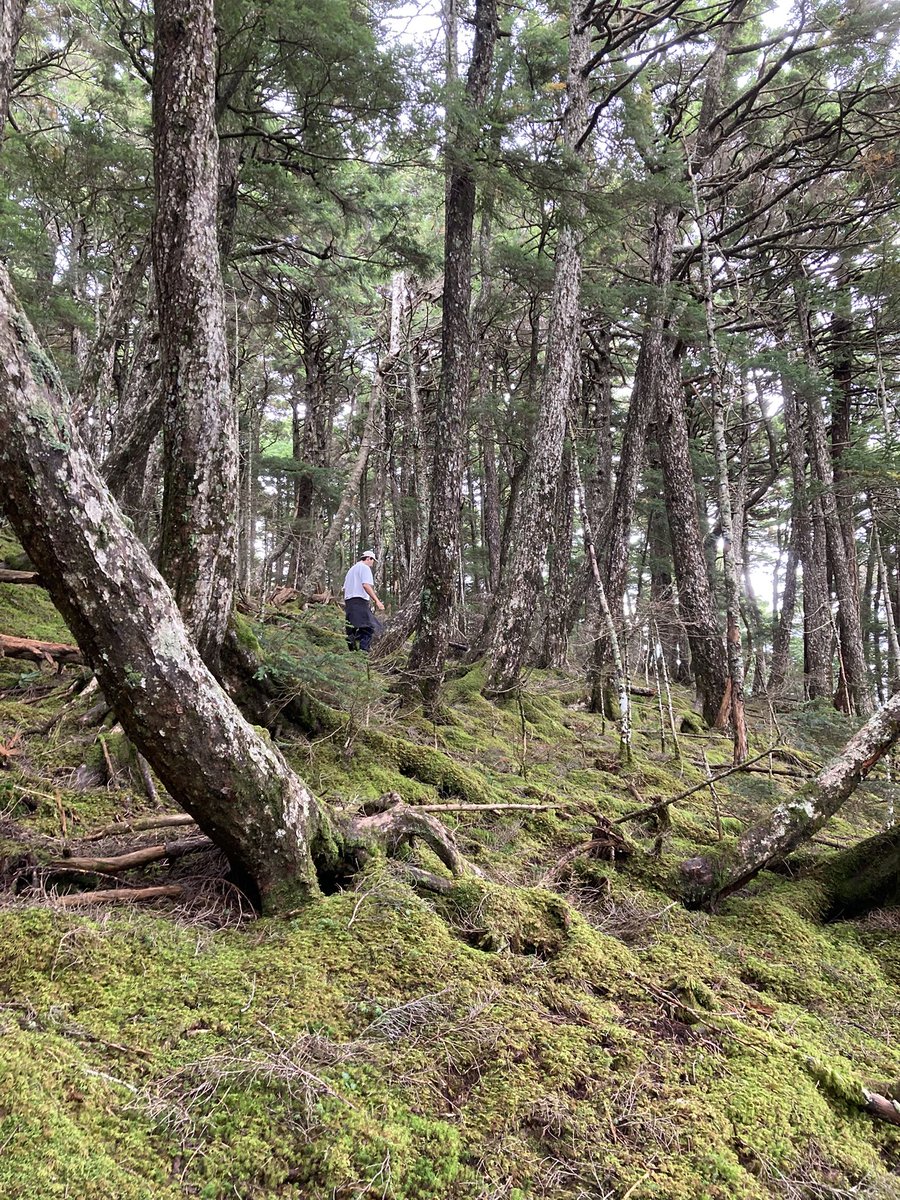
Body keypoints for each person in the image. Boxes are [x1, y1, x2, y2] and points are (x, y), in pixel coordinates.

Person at [342, 550, 385, 652]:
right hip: (359, 601)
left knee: (352, 629)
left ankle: (352, 653)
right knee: (369, 627)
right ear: (368, 558)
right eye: (372, 560)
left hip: (349, 602)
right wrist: (377, 601)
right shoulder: (365, 568)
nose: (372, 563)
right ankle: (363, 652)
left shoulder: (351, 570)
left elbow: (344, 588)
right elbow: (366, 585)